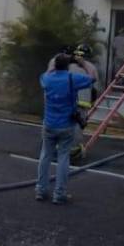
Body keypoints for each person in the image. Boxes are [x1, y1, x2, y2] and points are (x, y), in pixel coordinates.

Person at [37, 52, 95, 205]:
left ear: (55, 65)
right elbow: (92, 78)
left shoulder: (47, 78)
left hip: (49, 124)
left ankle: (41, 190)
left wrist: (54, 63)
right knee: (63, 158)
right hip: (66, 125)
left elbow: (46, 73)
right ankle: (59, 194)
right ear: (68, 66)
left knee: (45, 156)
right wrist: (83, 63)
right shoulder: (72, 78)